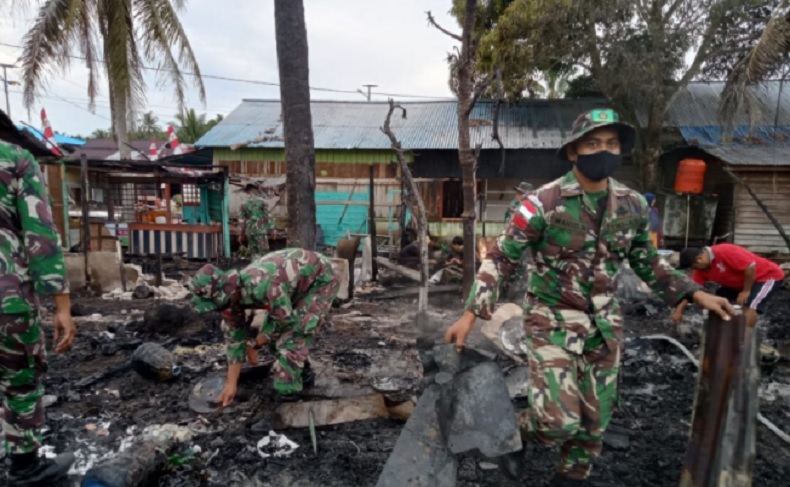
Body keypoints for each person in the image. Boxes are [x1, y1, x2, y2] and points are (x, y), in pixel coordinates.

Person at [443, 108, 734, 486]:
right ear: (573, 151)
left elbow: (647, 262)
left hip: (604, 328)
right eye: (593, 143)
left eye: (611, 143)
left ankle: (569, 479)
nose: (603, 150)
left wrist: (694, 293)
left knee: (594, 423)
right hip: (551, 321)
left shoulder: (633, 205)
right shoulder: (541, 203)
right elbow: (501, 257)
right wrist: (471, 314)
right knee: (556, 423)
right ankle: (510, 433)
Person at [0, 139, 77, 485]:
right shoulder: (14, 158)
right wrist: (62, 306)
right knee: (19, 382)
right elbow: (40, 235)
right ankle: (25, 468)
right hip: (6, 299)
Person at [188, 248, 340, 406]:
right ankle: (303, 372)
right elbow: (234, 339)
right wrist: (231, 384)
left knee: (292, 337)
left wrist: (257, 343)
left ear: (229, 292)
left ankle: (289, 398)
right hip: (292, 285)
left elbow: (285, 323)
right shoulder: (231, 300)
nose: (221, 310)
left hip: (321, 278)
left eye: (219, 304)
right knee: (273, 337)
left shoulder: (264, 286)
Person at [673, 244, 784, 327]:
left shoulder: (725, 251)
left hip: (766, 276)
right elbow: (692, 291)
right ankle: (722, 329)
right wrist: (679, 311)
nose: (694, 270)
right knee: (717, 300)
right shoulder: (701, 270)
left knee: (750, 304)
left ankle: (745, 340)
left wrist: (746, 291)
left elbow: (750, 267)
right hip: (739, 282)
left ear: (699, 259)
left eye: (693, 267)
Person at [239, 183, 273, 259]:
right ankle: (264, 266)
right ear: (255, 191)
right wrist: (272, 230)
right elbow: (268, 217)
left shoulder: (243, 204)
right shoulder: (263, 202)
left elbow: (242, 221)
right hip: (261, 232)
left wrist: (241, 234)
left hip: (250, 232)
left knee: (254, 253)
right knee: (264, 254)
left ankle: (255, 264)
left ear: (247, 192)